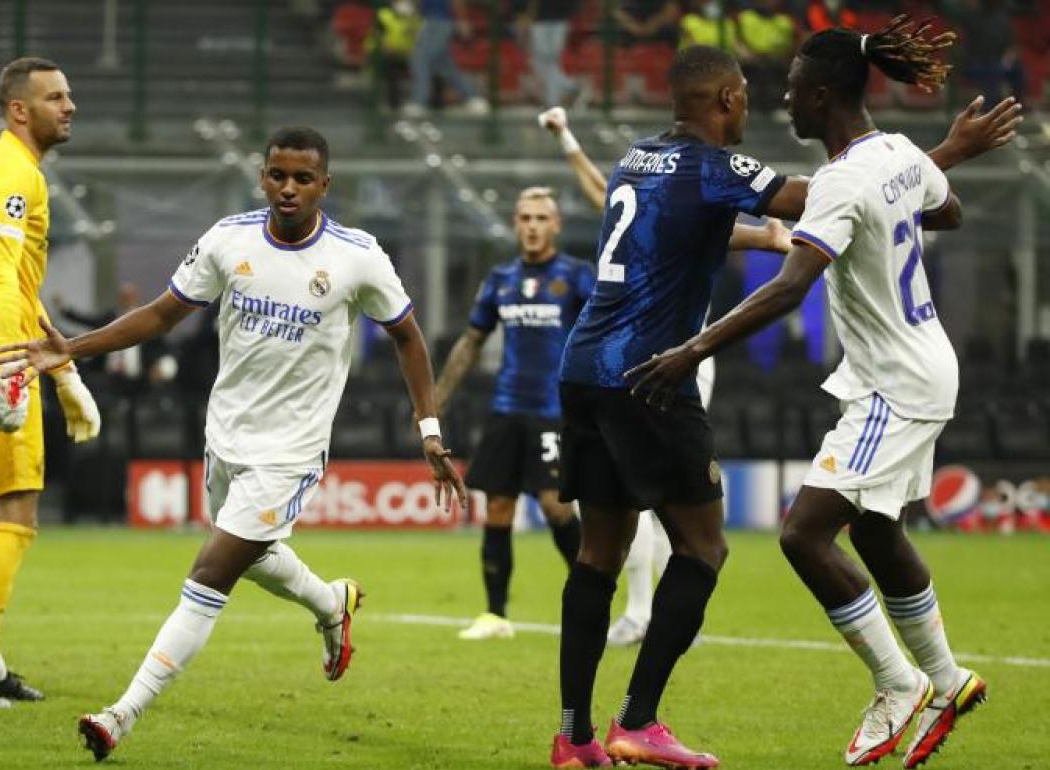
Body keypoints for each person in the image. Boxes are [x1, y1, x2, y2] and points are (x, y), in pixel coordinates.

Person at [547, 39, 1018, 768]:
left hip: (583, 366)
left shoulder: (636, 159)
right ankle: (639, 721)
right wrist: (942, 154)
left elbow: (685, 230)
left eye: (791, 90)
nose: (768, 103)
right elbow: (832, 197)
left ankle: (574, 738)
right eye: (747, 92)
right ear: (725, 100)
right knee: (705, 546)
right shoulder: (724, 165)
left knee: (597, 556)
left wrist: (767, 236)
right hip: (651, 373)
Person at [0, 126, 467, 762]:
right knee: (250, 553)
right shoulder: (228, 240)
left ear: (325, 185)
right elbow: (163, 313)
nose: (289, 188)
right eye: (278, 175)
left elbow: (408, 336)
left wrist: (428, 429)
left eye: (303, 178)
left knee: (211, 571)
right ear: (262, 177)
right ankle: (332, 603)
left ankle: (120, 713)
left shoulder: (357, 257)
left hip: (292, 450)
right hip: (226, 434)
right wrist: (73, 348)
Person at [535, 105, 787, 648]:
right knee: (662, 511)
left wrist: (567, 138)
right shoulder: (678, 179)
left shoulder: (651, 171)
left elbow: (607, 194)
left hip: (664, 357)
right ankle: (650, 612)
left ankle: (651, 614)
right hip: (655, 356)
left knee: (654, 510)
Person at [0, 57, 102, 709]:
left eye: (70, 94)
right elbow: (2, 281)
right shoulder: (12, 175)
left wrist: (64, 374)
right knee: (16, 517)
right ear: (19, 110)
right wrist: (14, 368)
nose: (71, 106)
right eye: (57, 97)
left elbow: (15, 285)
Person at [434, 186, 591, 641]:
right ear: (515, 224)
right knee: (498, 506)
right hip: (506, 408)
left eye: (541, 218)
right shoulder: (500, 278)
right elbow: (471, 341)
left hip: (552, 411)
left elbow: (601, 332)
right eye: (525, 218)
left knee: (554, 506)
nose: (533, 226)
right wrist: (436, 401)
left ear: (556, 225)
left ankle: (589, 598)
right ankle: (495, 615)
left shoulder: (577, 276)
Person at [403, 0, 491, 117]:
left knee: (420, 60)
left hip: (439, 22)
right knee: (446, 65)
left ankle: (419, 101)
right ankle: (474, 99)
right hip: (429, 22)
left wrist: (462, 20)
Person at [517, 0, 581, 107]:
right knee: (542, 61)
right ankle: (567, 87)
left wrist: (568, 14)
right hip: (540, 21)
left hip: (559, 20)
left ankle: (553, 100)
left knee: (549, 61)